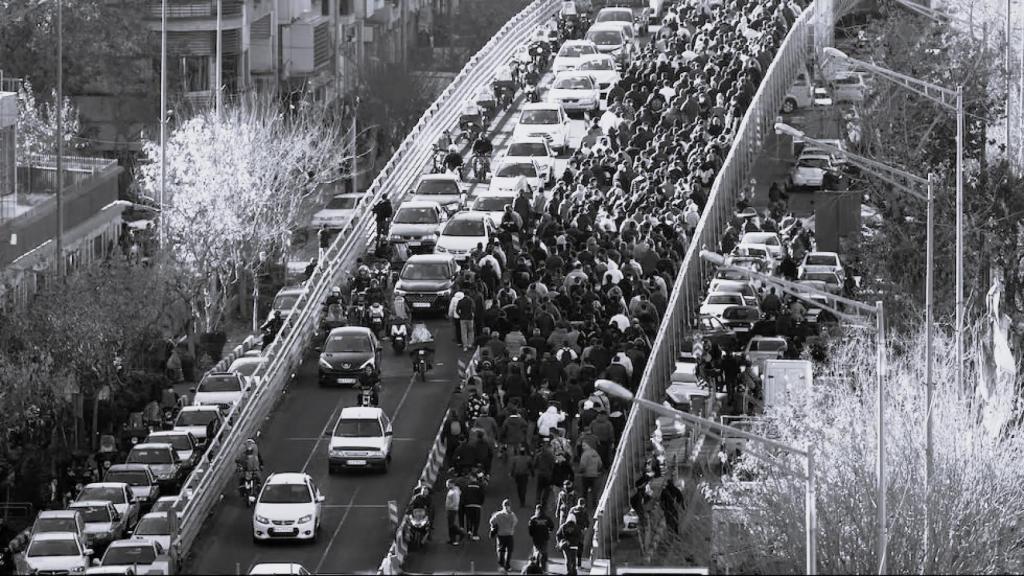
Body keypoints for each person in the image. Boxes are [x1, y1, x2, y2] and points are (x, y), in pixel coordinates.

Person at [489, 499, 518, 572]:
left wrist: (495, 527)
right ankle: (507, 565)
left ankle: (501, 565)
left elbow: (491, 521)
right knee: (509, 551)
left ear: (503, 506)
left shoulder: (498, 514)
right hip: (509, 535)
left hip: (500, 535)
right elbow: (515, 522)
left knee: (501, 550)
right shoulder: (512, 514)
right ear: (510, 506)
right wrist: (511, 528)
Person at [527, 504, 554, 569]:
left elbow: (530, 529)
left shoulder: (533, 519)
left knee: (536, 551)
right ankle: (543, 567)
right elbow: (552, 527)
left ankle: (536, 565)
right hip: (545, 538)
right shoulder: (547, 518)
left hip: (536, 538)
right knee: (544, 552)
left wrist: (533, 534)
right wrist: (549, 530)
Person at [445, 479, 464, 546]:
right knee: (450, 525)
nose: (446, 485)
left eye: (448, 484)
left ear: (452, 484)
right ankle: (452, 539)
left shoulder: (455, 492)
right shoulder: (451, 490)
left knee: (451, 525)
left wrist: (450, 507)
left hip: (452, 510)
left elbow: (456, 502)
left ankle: (460, 533)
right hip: (450, 510)